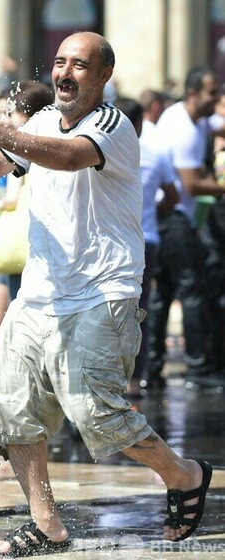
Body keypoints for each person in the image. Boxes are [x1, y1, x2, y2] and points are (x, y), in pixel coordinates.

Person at [0, 32, 213, 556]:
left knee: (97, 412)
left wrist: (4, 131)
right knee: (8, 404)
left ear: (102, 77)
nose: (65, 73)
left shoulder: (113, 126)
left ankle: (184, 474)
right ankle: (46, 522)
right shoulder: (39, 124)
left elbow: (70, 157)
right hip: (39, 293)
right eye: (59, 62)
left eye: (80, 65)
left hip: (103, 290)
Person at [148, 66, 225, 385]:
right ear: (193, 93)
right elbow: (192, 185)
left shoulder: (181, 114)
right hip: (176, 219)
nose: (217, 99)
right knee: (192, 290)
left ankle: (151, 367)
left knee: (162, 293)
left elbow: (214, 124)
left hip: (163, 218)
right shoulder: (186, 132)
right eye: (212, 93)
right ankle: (197, 367)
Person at [0, 80, 54, 346]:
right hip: (5, 245)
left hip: (32, 248)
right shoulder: (8, 147)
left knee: (30, 330)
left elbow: (12, 195)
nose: (2, 120)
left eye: (9, 113)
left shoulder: (42, 146)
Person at [114, 97, 179, 396]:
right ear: (140, 124)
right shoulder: (154, 154)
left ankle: (111, 378)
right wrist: (153, 212)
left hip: (113, 239)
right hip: (146, 240)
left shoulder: (103, 153)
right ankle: (132, 380)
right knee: (138, 311)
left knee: (108, 310)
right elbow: (172, 196)